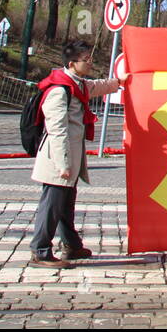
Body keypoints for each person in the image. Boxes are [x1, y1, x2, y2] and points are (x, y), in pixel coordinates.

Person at [28, 40, 119, 269]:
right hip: (58, 159)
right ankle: (40, 250)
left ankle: (71, 245)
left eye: (90, 58)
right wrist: (64, 164)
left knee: (65, 204)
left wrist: (119, 82)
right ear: (71, 63)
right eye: (86, 59)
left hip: (69, 158)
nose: (90, 63)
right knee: (52, 204)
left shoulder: (76, 84)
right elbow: (57, 130)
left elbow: (96, 86)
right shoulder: (59, 91)